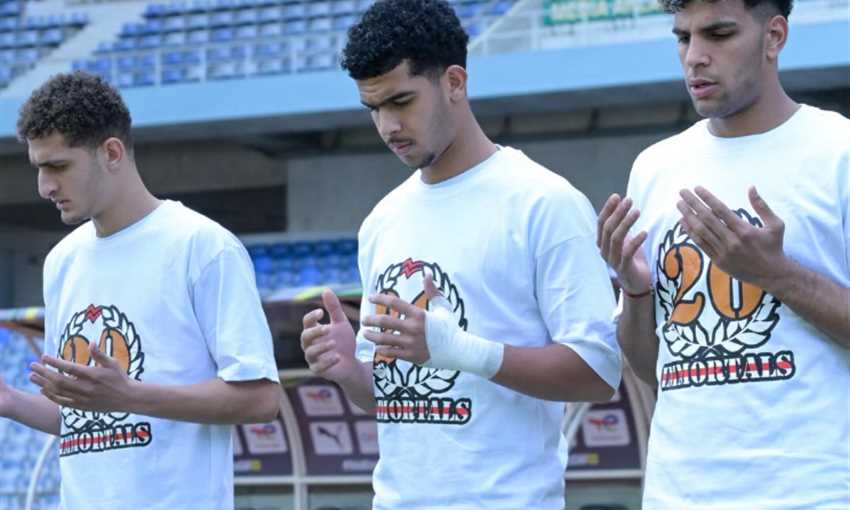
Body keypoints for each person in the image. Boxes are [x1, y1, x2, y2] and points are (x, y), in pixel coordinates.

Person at [299, 1, 622, 508]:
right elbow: (390, 398)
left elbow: (599, 373)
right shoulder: (382, 221)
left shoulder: (543, 203)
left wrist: (466, 352)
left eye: (401, 101)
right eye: (373, 108)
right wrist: (348, 372)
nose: (388, 126)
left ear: (454, 82)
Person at [598, 0, 850, 506]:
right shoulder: (655, 167)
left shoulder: (838, 151)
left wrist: (775, 274)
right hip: (678, 494)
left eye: (718, 34)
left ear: (774, 36)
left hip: (809, 493)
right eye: (683, 37)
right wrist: (637, 291)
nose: (694, 56)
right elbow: (653, 368)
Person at [0, 71, 281, 510]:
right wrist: (9, 401)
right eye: (38, 168)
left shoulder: (202, 246)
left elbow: (261, 398)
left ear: (111, 153)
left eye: (58, 166)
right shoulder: (61, 261)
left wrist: (129, 395)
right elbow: (86, 418)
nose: (45, 186)